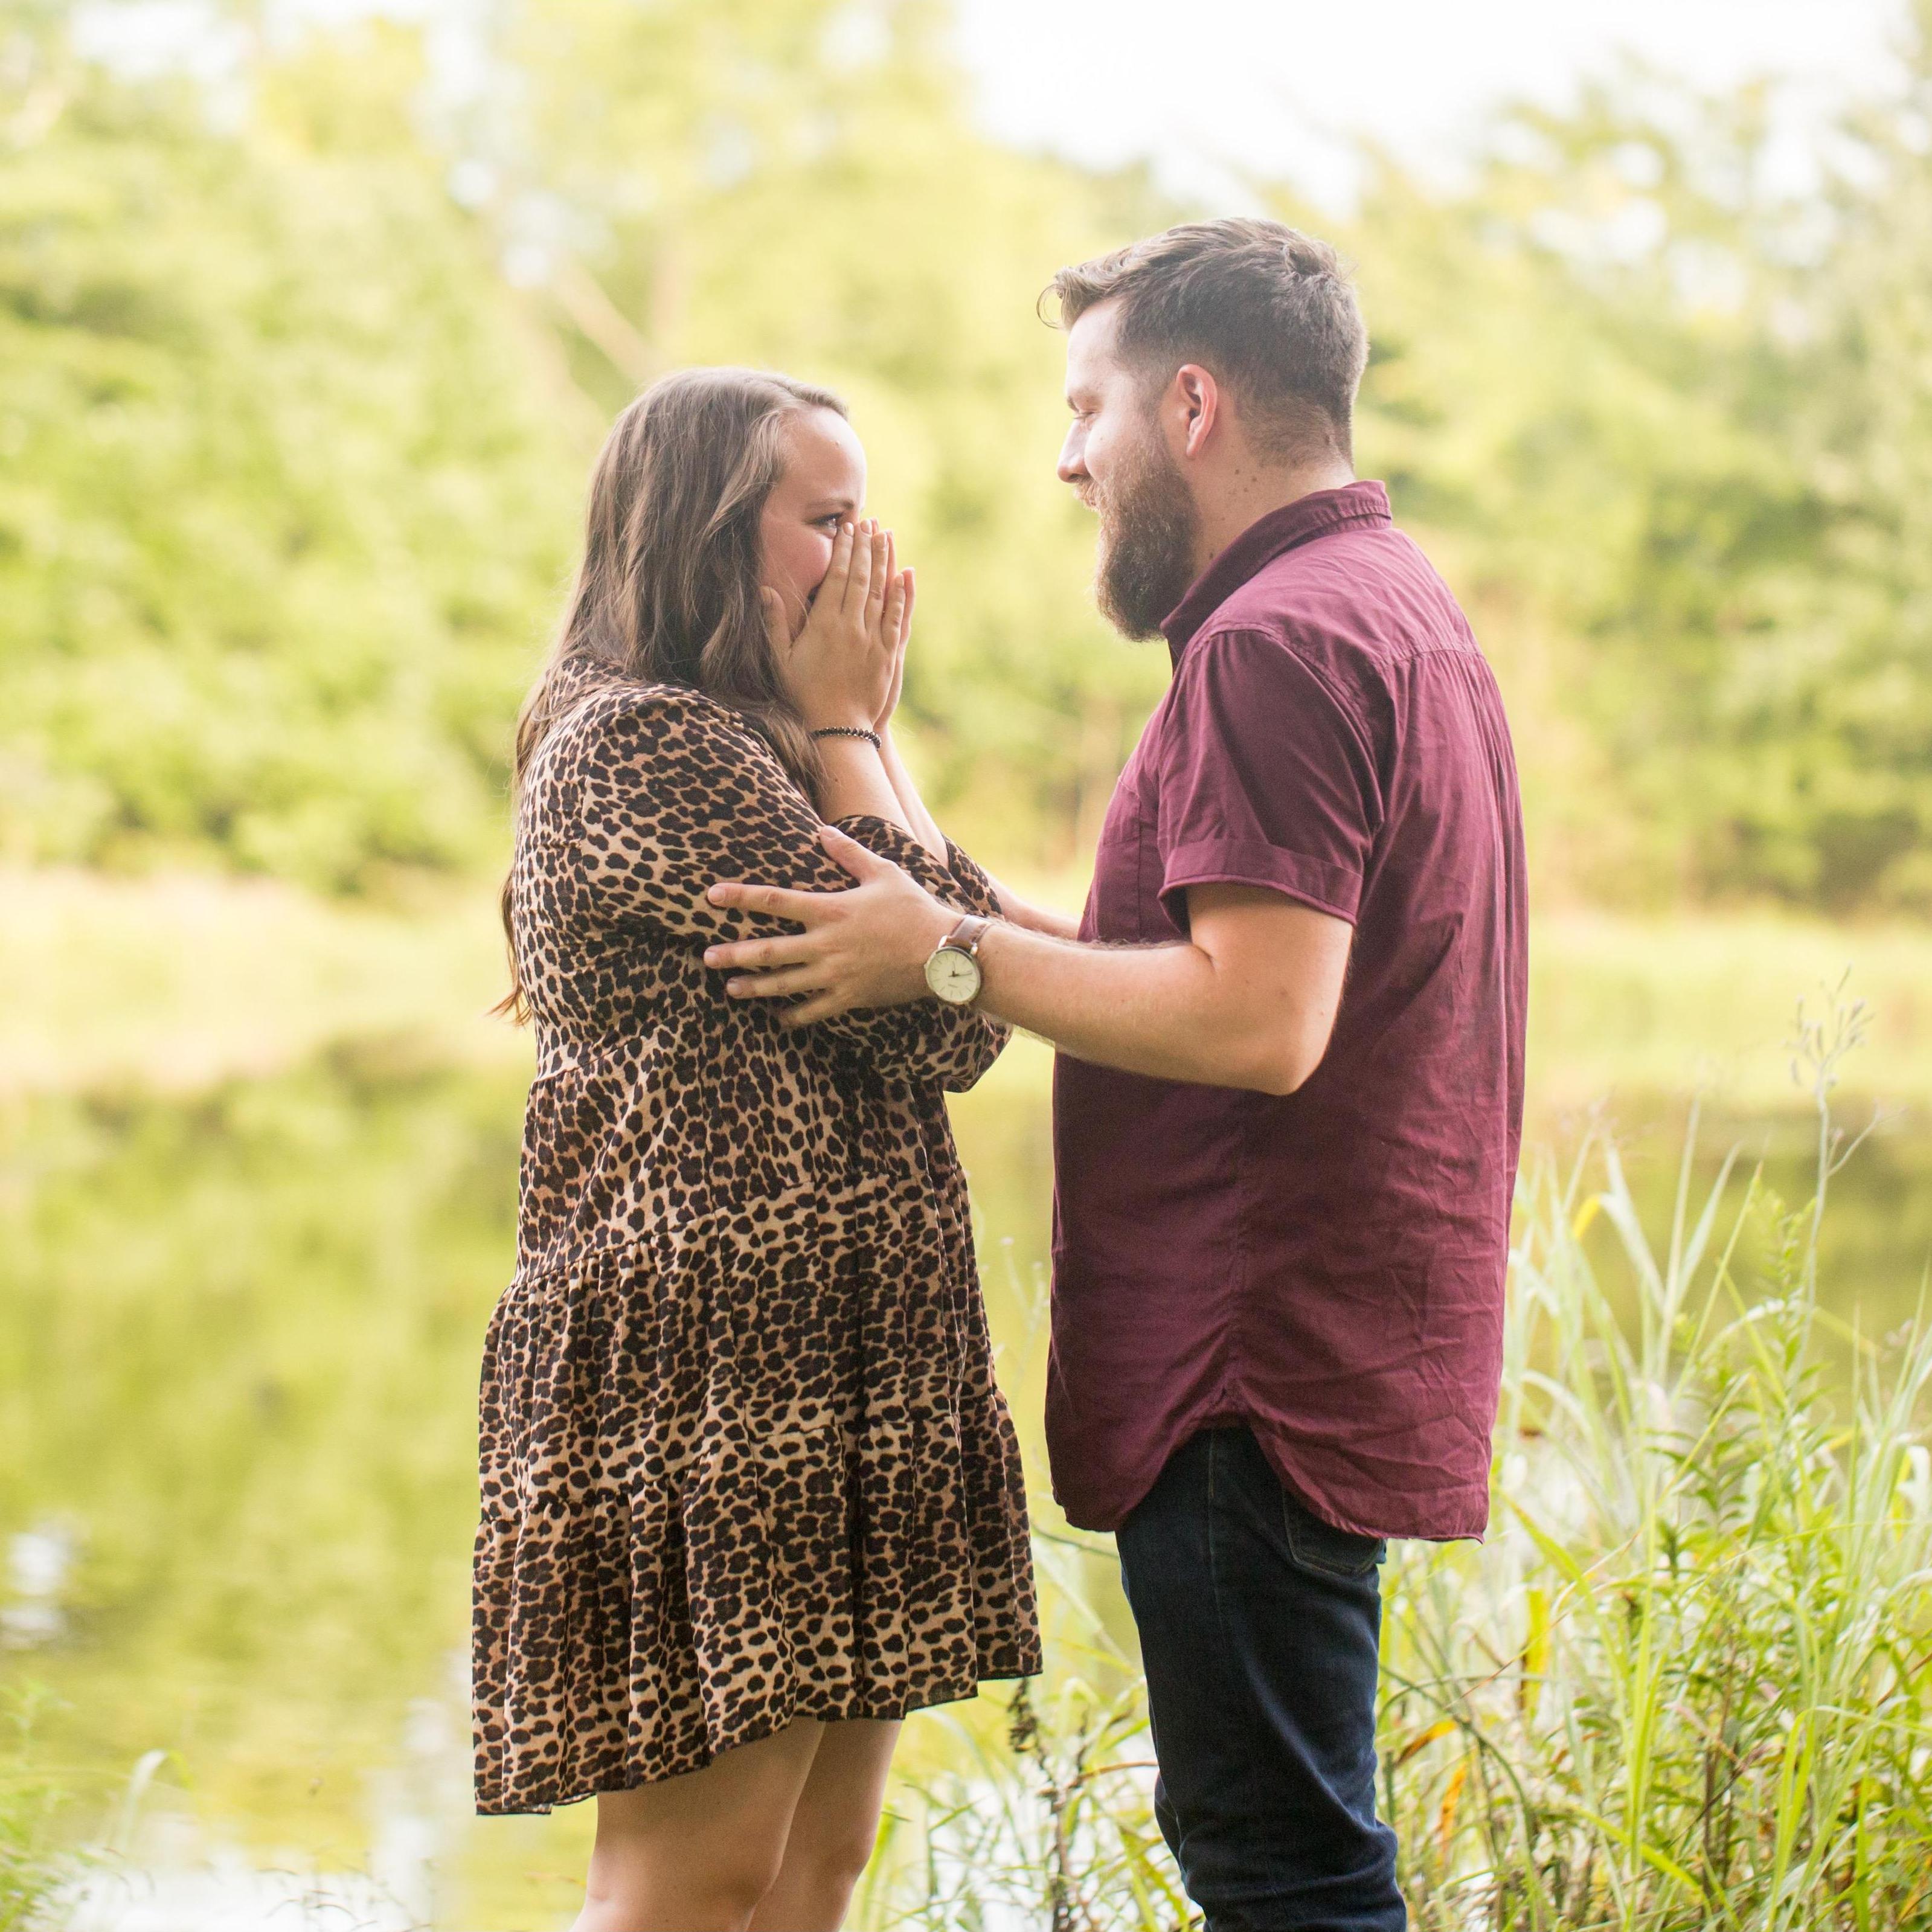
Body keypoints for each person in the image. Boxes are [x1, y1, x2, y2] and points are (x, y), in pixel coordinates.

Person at [702, 219, 1528, 1931]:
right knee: (1296, 1853)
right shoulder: (1384, 604)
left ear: (1197, 405)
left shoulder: (1272, 647)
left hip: (1255, 1366)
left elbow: (1256, 1020)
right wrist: (883, 785)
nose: (1064, 456)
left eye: (1090, 409)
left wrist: (932, 957)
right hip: (1319, 1341)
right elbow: (1161, 956)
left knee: (1287, 1878)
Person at [471, 367, 1041, 1932]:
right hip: (713, 1378)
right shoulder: (643, 750)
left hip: (839, 1356)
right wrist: (857, 723)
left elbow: (954, 934)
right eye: (830, 521)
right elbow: (957, 1012)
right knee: (693, 1885)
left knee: (814, 1876)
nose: (870, 567)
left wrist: (851, 733)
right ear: (716, 534)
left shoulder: (761, 749)